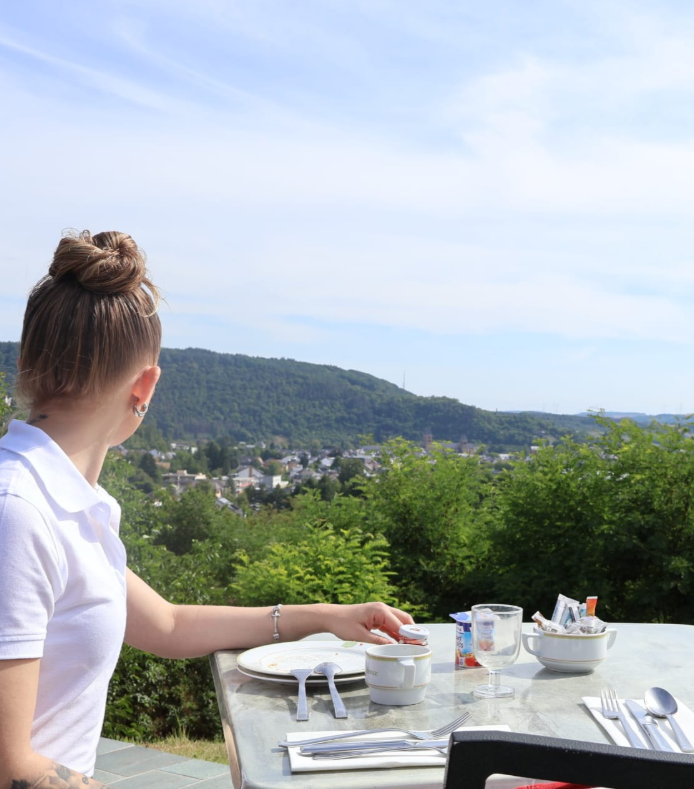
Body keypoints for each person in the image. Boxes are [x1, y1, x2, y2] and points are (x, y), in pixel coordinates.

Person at [0, 230, 413, 788]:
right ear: (145, 385)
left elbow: (167, 625)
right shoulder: (20, 511)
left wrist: (322, 616)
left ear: (27, 361)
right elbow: (10, 766)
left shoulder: (62, 504)